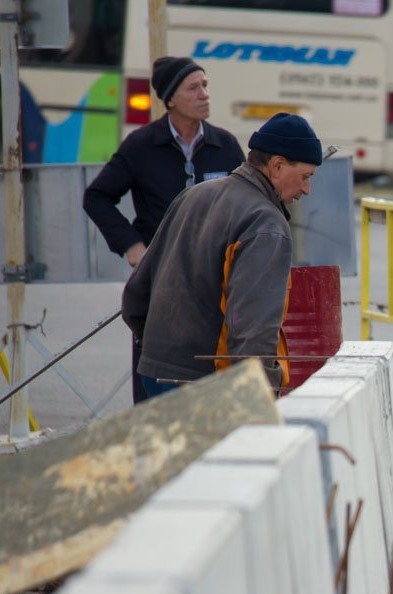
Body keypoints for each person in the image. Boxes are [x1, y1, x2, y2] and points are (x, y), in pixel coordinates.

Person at [120, 113, 322, 397]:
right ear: (277, 166)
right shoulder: (266, 225)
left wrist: (160, 354)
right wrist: (258, 398)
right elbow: (253, 331)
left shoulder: (193, 195)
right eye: (305, 177)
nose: (307, 189)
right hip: (206, 385)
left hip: (155, 372)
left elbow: (136, 294)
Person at [84, 56, 245, 402]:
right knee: (155, 386)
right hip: (160, 282)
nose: (204, 94)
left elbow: (248, 204)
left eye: (205, 85)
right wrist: (132, 246)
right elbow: (96, 196)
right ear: (170, 99)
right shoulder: (141, 145)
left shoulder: (226, 146)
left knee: (209, 382)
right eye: (193, 87)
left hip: (215, 282)